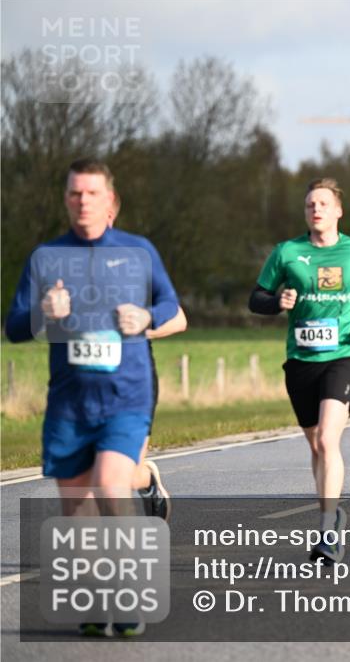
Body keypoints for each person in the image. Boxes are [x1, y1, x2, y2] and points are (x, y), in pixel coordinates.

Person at [5, 158, 181, 637]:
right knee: (76, 509)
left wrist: (146, 317)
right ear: (66, 200)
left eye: (92, 194)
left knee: (109, 485)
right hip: (69, 403)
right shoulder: (46, 258)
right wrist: (43, 311)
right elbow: (14, 327)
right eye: (75, 194)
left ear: (111, 202)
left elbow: (170, 304)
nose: (83, 202)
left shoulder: (138, 251)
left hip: (126, 395)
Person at [249, 178, 350, 564]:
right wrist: (277, 300)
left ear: (338, 211)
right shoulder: (287, 252)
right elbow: (256, 298)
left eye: (323, 204)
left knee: (329, 441)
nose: (316, 209)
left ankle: (327, 529)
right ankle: (331, 515)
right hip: (300, 360)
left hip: (345, 354)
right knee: (316, 445)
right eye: (310, 204)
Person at [107, 191, 186, 520]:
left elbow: (179, 319)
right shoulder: (65, 262)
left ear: (111, 212)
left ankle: (146, 482)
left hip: (134, 378)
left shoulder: (135, 259)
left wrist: (141, 328)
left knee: (120, 473)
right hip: (87, 380)